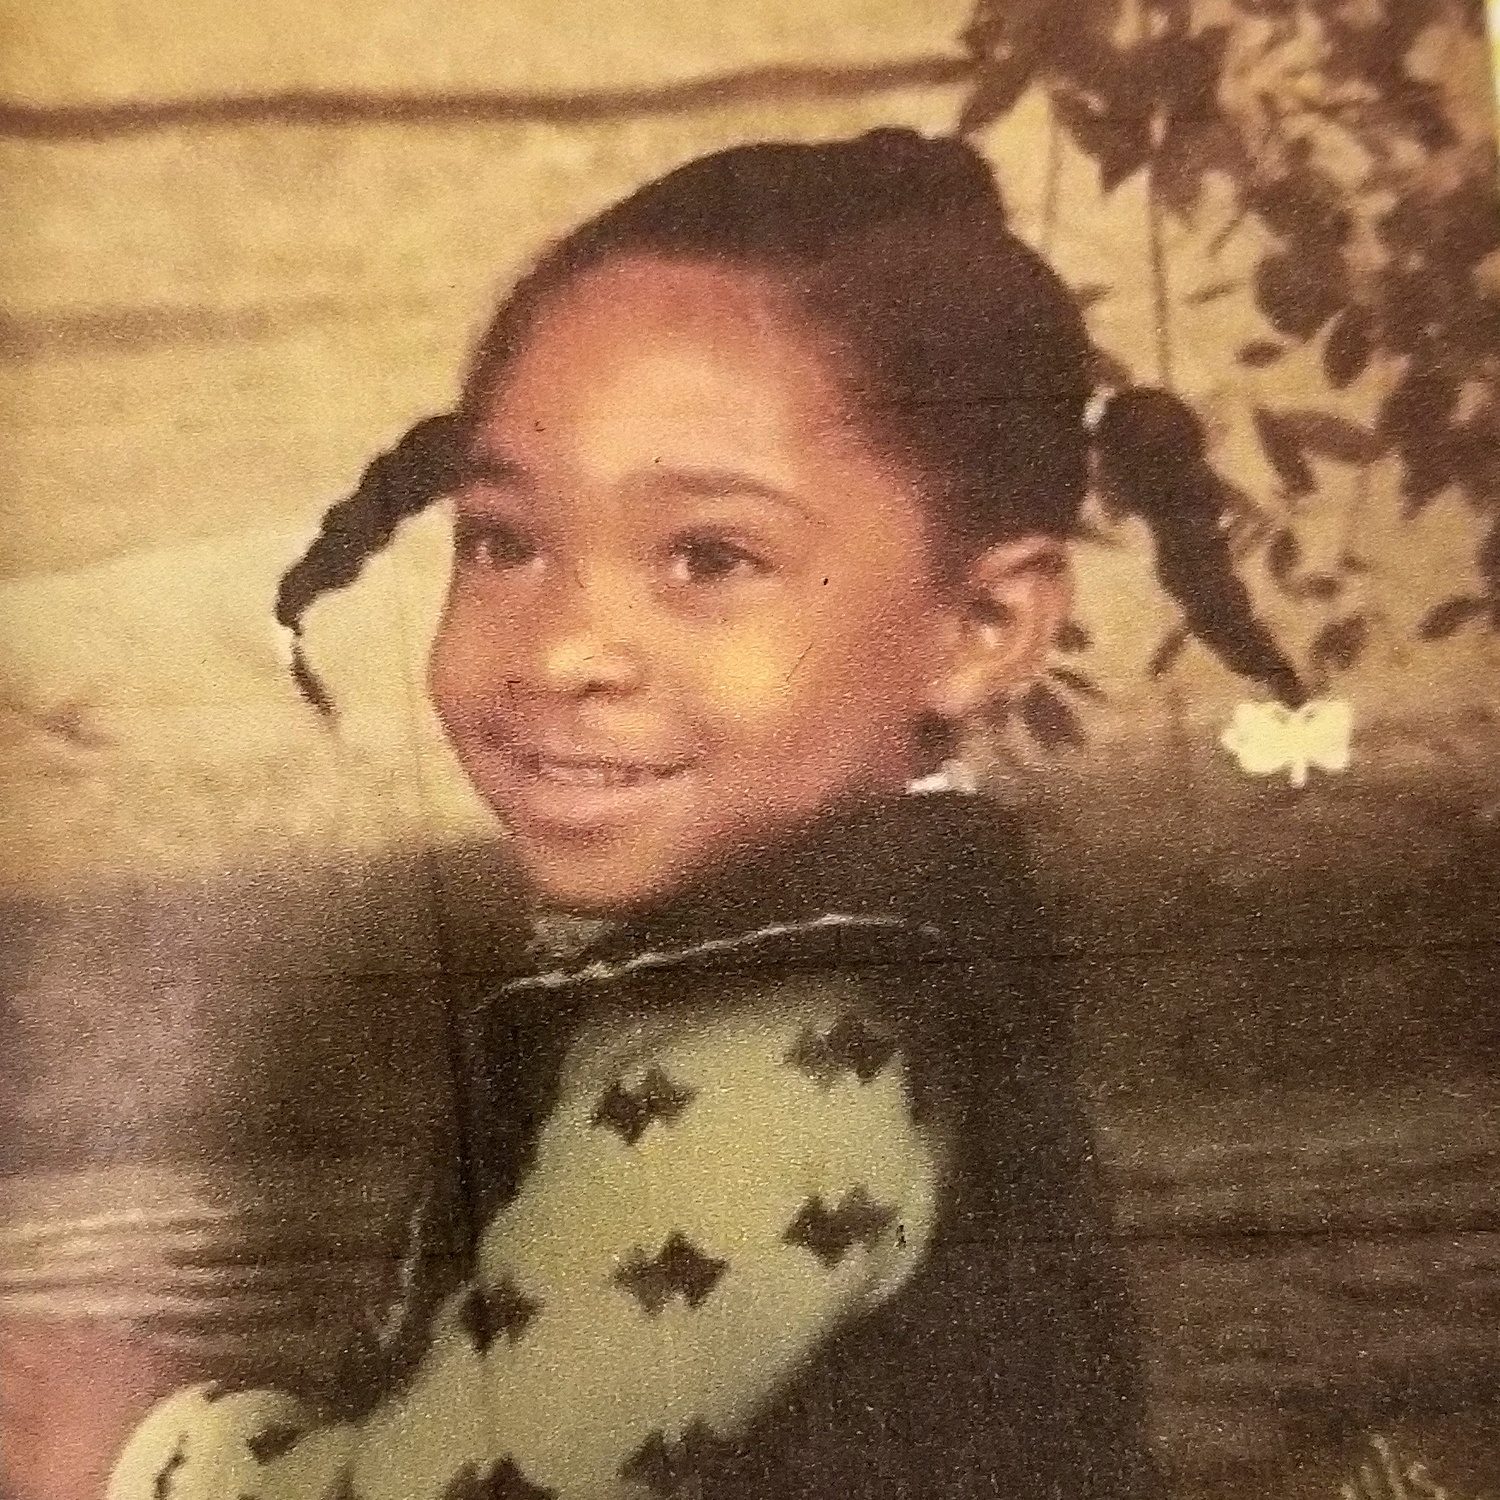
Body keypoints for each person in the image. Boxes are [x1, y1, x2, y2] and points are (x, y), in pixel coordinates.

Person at [108, 127, 1304, 1500]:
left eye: (708, 556)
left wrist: (145, 1447)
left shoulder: (777, 1047)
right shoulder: (860, 955)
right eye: (505, 541)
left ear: (980, 626)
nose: (561, 650)